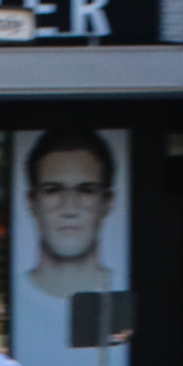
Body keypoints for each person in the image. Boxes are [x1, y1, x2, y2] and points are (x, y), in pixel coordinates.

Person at [21, 129, 119, 302]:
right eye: (52, 190)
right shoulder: (14, 293)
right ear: (31, 202)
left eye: (87, 190)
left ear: (108, 202)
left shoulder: (128, 288)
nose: (69, 209)